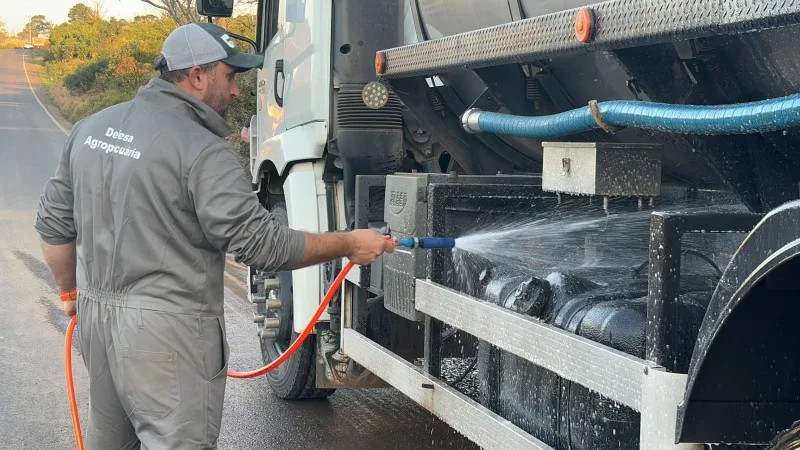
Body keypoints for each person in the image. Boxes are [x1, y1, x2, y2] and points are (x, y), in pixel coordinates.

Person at [34, 22, 395, 449]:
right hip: (169, 334)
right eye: (230, 76)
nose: (237, 91)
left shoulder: (90, 130)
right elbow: (262, 244)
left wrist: (70, 294)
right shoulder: (202, 150)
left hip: (99, 322)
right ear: (197, 76)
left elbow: (53, 228)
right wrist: (349, 243)